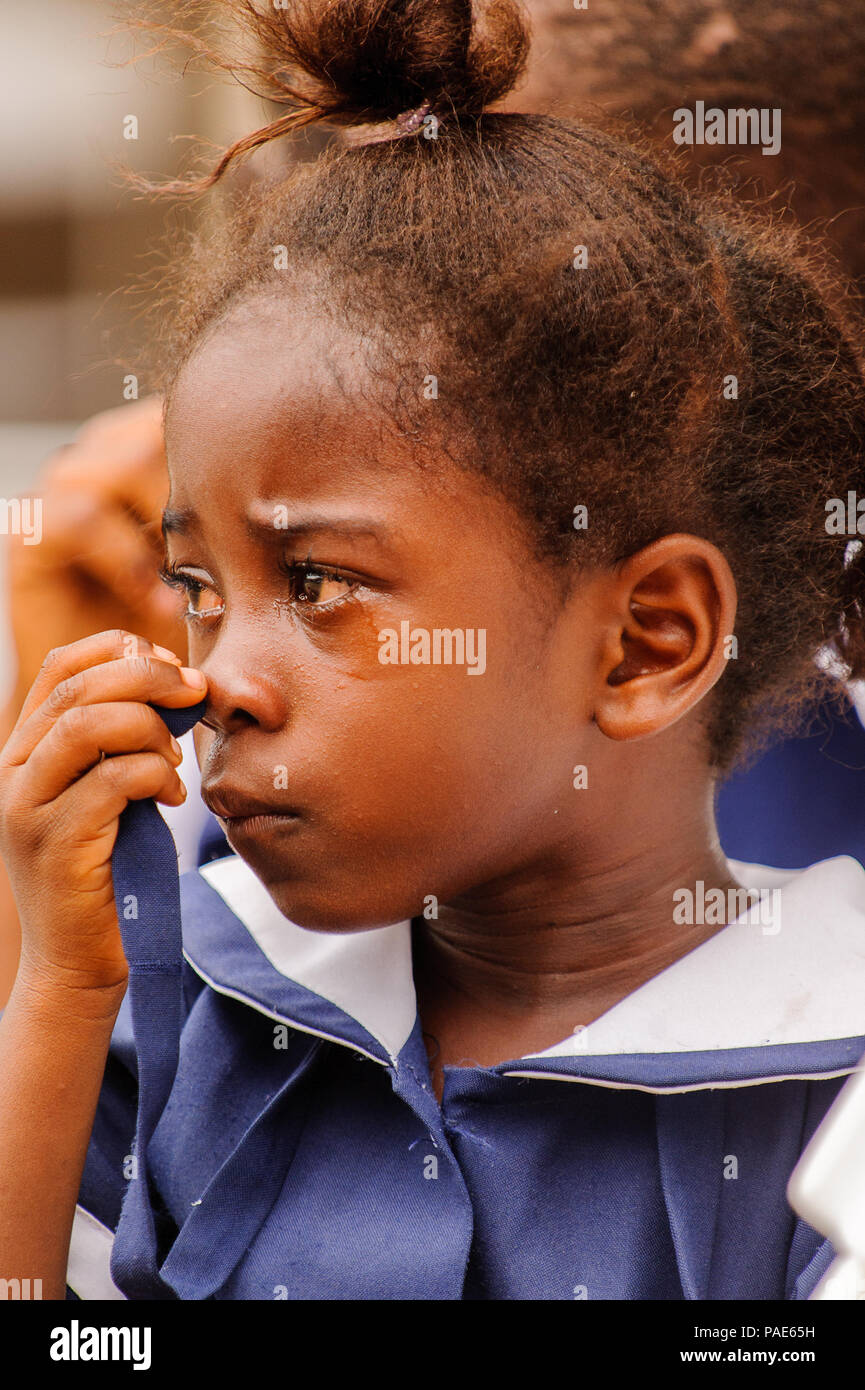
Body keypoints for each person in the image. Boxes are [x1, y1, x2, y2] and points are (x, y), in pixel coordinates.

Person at [1, 0, 865, 1300]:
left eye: (316, 581)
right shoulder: (195, 988)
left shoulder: (823, 1071)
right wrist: (57, 990)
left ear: (643, 644)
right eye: (193, 585)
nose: (216, 677)